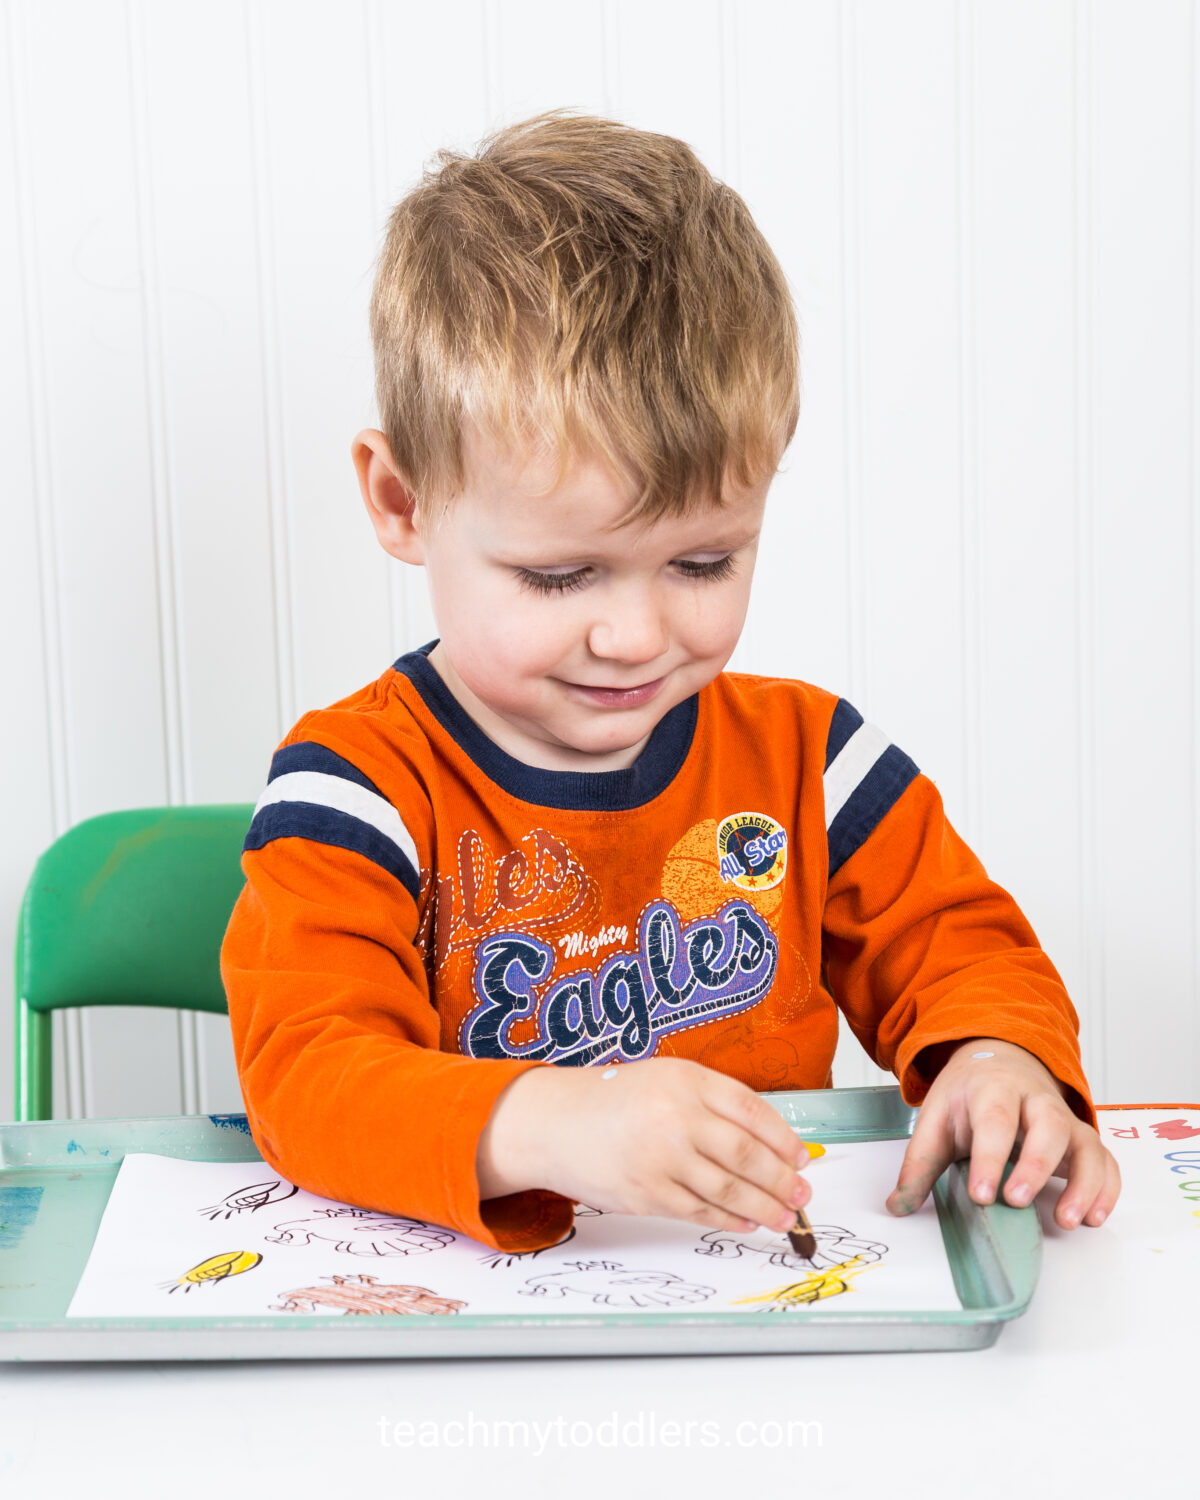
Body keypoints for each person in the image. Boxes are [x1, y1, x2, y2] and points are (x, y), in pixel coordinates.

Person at [221, 109, 1120, 1254]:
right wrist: (552, 1122)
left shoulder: (814, 761)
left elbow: (964, 952)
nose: (635, 636)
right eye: (559, 576)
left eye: (703, 562)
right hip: (472, 1354)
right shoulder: (355, 787)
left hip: (765, 1309)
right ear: (404, 504)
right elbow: (309, 1077)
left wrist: (999, 1061)